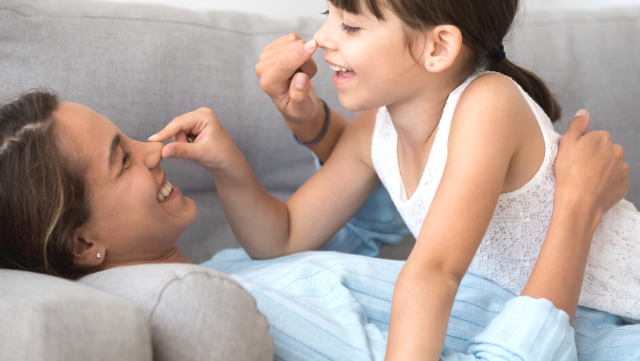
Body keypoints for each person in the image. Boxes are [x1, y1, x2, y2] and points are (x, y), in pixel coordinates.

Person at [257, 0, 640, 359]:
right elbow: (281, 239)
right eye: (326, 13)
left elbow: (433, 274)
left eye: (351, 25)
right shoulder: (374, 132)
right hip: (536, 315)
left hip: (617, 318)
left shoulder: (489, 103)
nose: (321, 39)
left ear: (438, 47)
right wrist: (225, 164)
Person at [0, 89, 637, 360]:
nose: (152, 149)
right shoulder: (252, 312)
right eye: (123, 159)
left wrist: (318, 132)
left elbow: (373, 227)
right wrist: (574, 210)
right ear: (85, 244)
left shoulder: (229, 270)